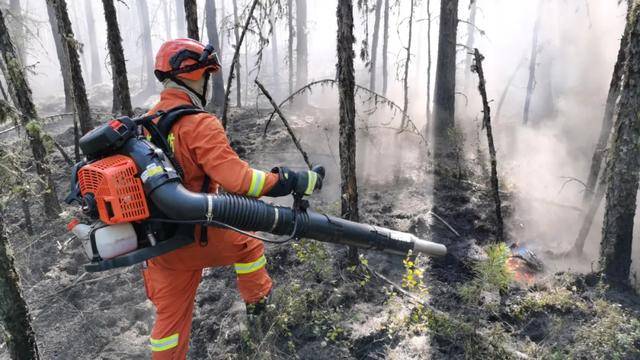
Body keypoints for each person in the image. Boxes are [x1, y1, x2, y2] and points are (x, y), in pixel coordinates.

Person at [143, 38, 322, 359]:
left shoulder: (146, 122)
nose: (208, 83)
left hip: (159, 246)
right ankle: (258, 308)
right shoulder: (199, 123)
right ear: (194, 77)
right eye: (206, 76)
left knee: (167, 332)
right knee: (249, 241)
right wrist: (289, 180)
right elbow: (239, 181)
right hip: (195, 235)